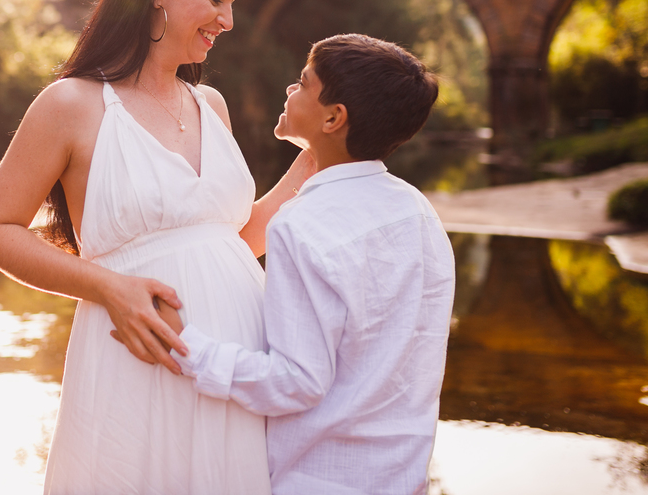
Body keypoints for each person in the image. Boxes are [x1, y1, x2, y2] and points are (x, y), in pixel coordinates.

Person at [0, 0, 314, 494]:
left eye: (231, 4)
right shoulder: (72, 104)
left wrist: (313, 158)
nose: (227, 20)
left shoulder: (211, 104)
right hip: (138, 356)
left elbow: (234, 240)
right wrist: (109, 289)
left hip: (234, 362)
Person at [159, 33, 456, 495]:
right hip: (401, 476)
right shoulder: (416, 210)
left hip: (318, 479)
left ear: (334, 117)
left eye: (303, 83)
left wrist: (187, 347)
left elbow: (295, 383)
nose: (288, 91)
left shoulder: (302, 225)